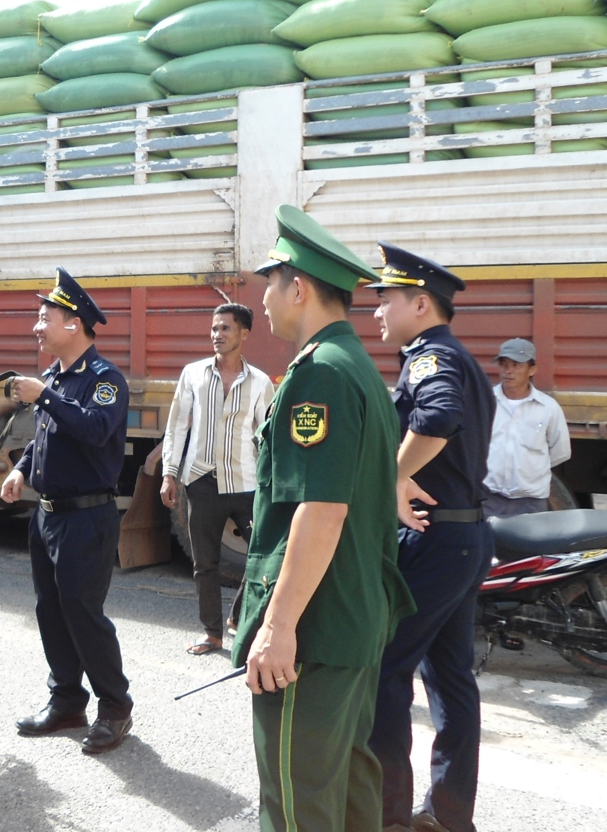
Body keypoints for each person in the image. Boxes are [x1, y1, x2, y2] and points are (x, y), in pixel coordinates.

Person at [234, 206, 412, 832]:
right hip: (354, 618)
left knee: (297, 798)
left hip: (317, 626)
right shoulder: (359, 367)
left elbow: (321, 509)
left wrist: (278, 626)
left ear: (299, 286)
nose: (263, 300)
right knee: (347, 782)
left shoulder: (321, 376)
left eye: (269, 283)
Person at [366, 243, 496, 832]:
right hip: (463, 537)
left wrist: (391, 475)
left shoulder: (430, 356)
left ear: (420, 303)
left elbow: (438, 419)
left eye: (385, 300)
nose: (377, 314)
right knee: (449, 679)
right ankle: (446, 815)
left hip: (433, 539)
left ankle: (387, 815)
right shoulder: (454, 355)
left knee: (384, 672)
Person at [0, 267, 133, 755]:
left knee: (83, 612)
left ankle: (115, 707)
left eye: (45, 317)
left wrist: (45, 396)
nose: (37, 326)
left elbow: (95, 429)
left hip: (87, 518)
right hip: (48, 515)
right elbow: (46, 439)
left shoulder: (105, 380)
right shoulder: (55, 376)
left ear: (73, 323)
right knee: (50, 611)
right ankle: (67, 702)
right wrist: (21, 469)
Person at [159, 303, 274, 655]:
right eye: (214, 329)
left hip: (246, 483)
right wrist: (169, 474)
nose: (217, 335)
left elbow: (266, 436)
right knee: (204, 563)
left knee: (264, 556)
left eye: (225, 329)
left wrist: (272, 484)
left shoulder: (260, 382)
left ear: (244, 334)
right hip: (202, 480)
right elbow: (177, 426)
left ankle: (239, 617)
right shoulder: (193, 374)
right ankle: (212, 633)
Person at [483, 338, 571, 518]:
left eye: (516, 365)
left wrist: (531, 469)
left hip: (529, 503)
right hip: (488, 499)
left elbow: (560, 452)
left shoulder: (548, 408)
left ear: (532, 370)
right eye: (503, 364)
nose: (508, 371)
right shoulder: (484, 402)